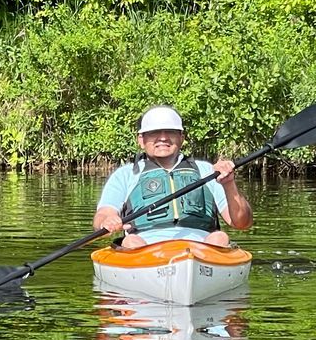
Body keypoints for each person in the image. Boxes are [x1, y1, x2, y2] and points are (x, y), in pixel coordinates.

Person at [93, 105, 254, 251]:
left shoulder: (207, 171)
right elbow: (102, 216)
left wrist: (229, 184)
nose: (163, 138)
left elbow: (242, 223)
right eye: (154, 132)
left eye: (170, 131)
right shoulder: (126, 175)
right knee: (131, 242)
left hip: (202, 251)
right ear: (141, 140)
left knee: (220, 237)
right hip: (145, 250)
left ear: (181, 138)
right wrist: (107, 221)